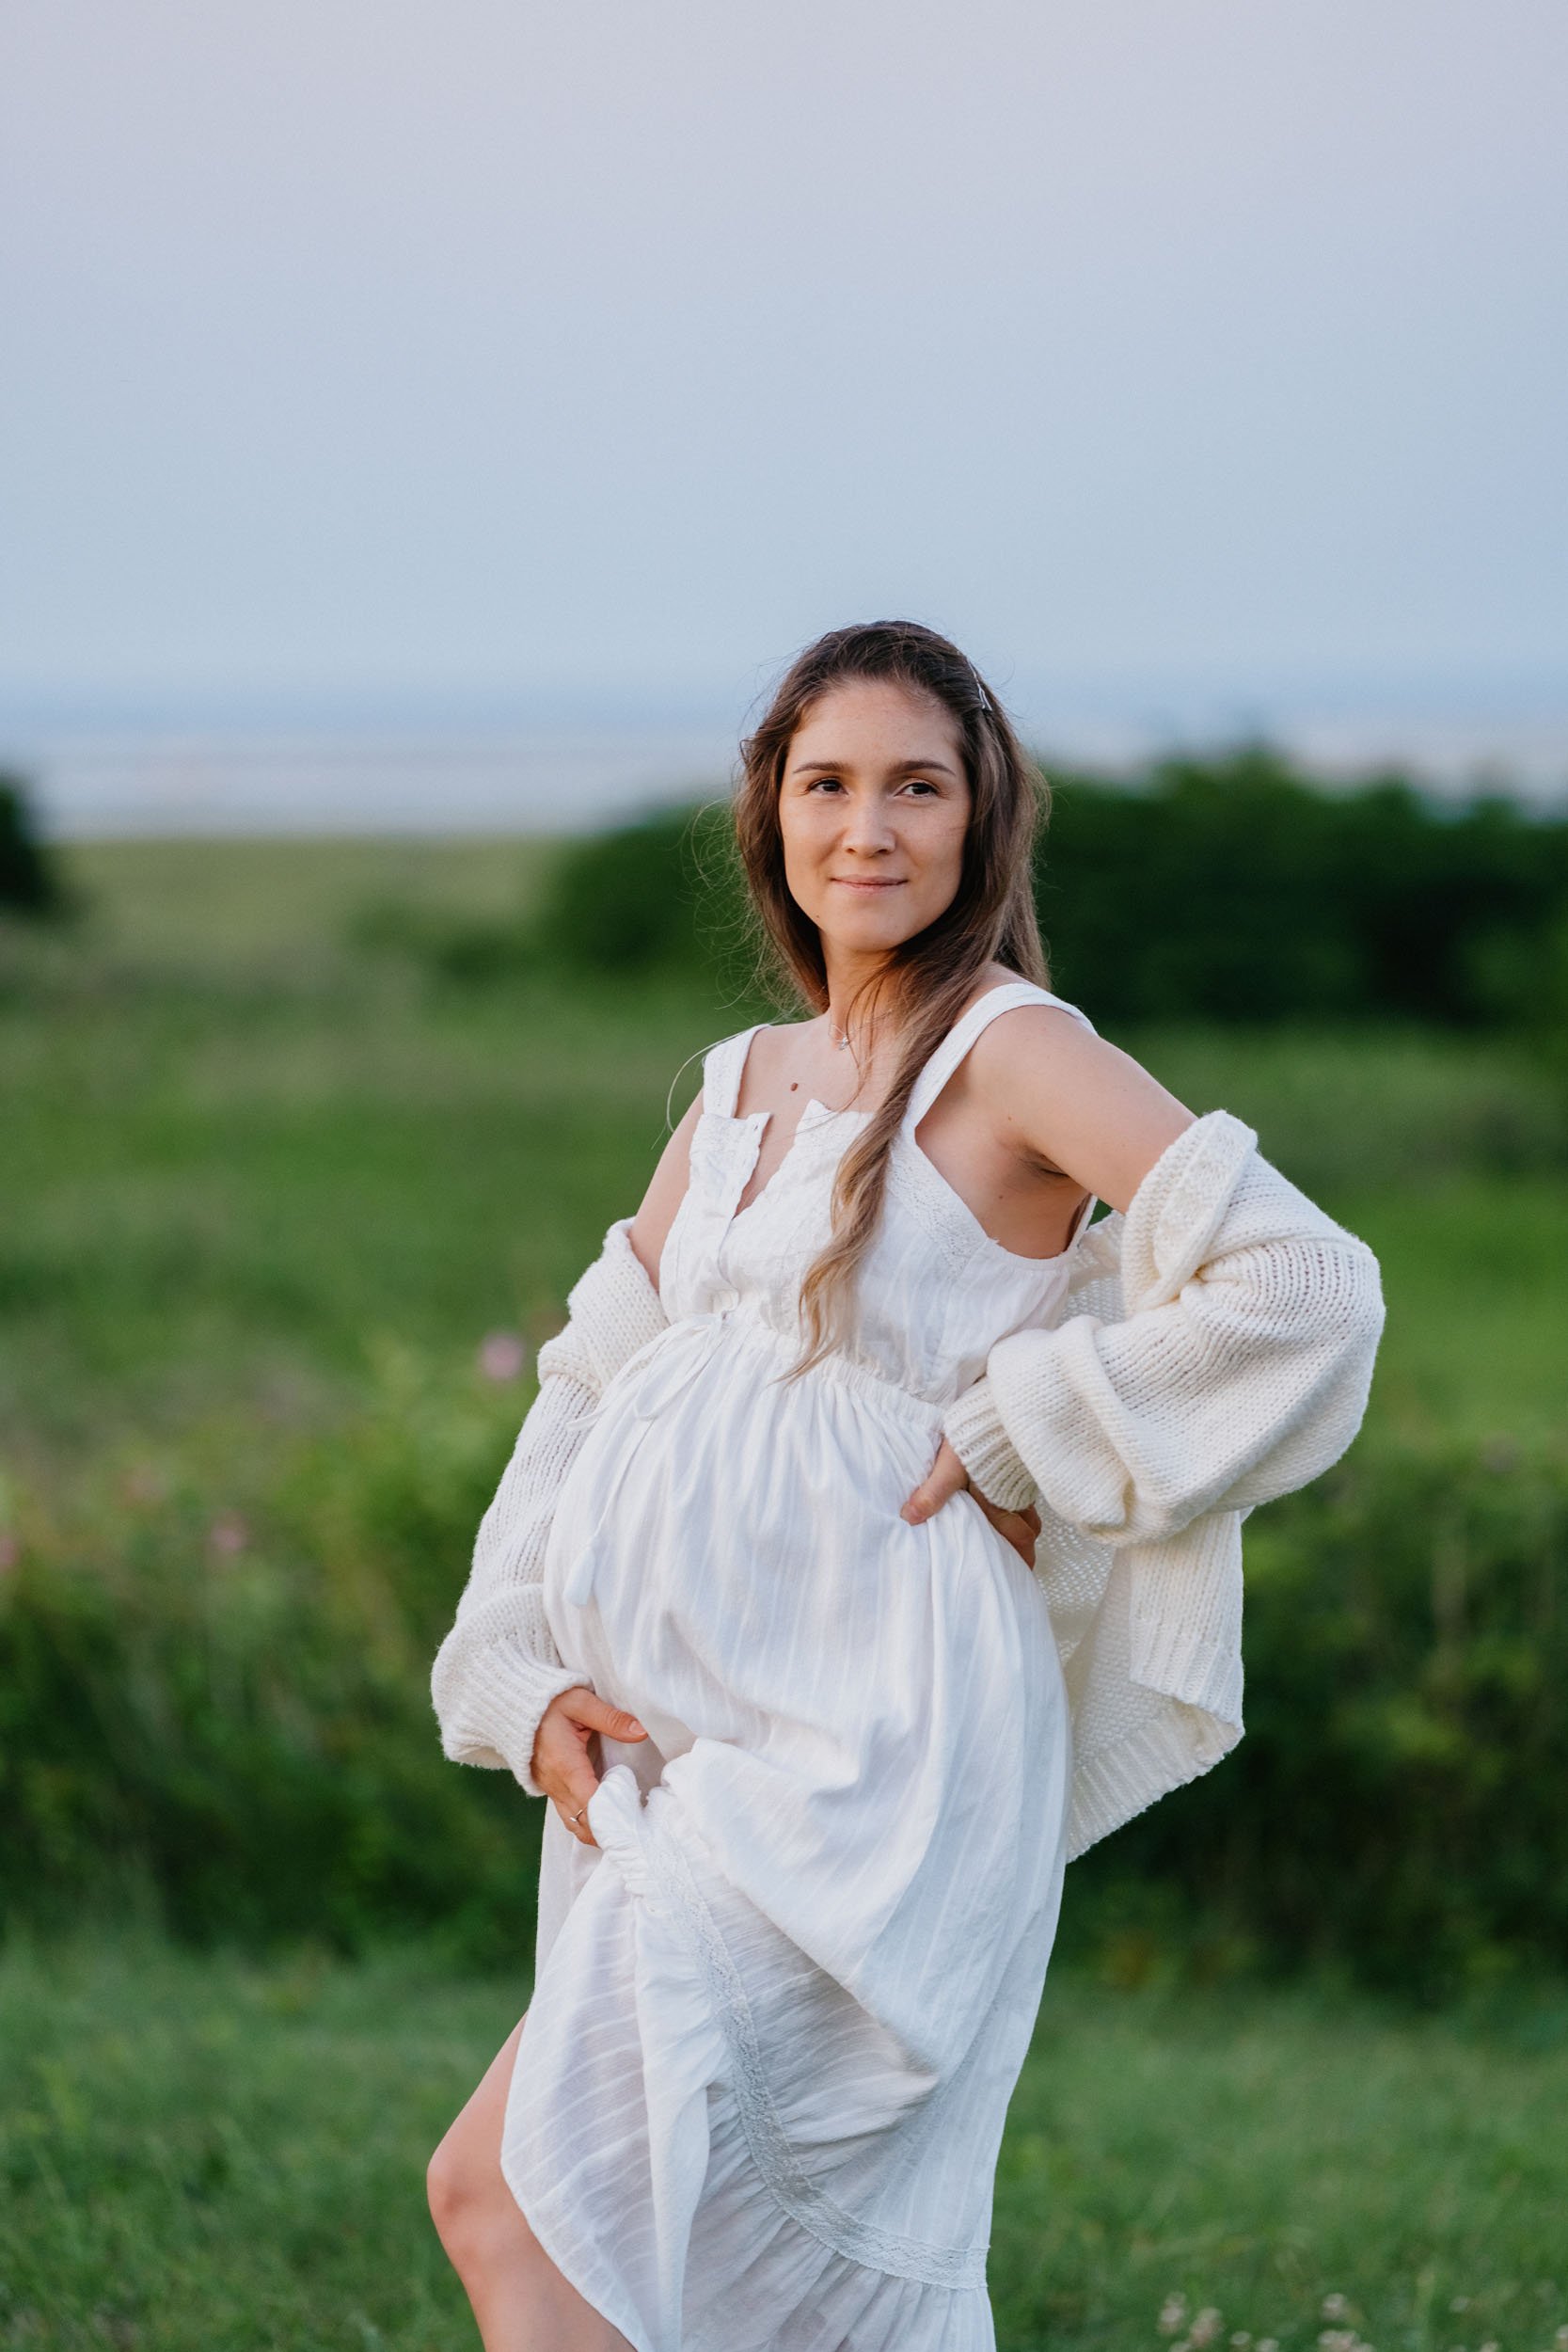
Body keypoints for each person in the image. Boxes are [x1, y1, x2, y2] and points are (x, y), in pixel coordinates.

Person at [425, 620, 1386, 2352]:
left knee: (511, 2195)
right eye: (828, 784)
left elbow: (1306, 1291)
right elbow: (587, 1384)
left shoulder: (1013, 1049)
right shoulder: (736, 1089)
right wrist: (508, 1655)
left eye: (916, 787)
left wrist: (1032, 1421)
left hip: (877, 1744)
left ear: (980, 821)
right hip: (691, 1735)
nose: (868, 828)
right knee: (630, 2232)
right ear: (772, 820)